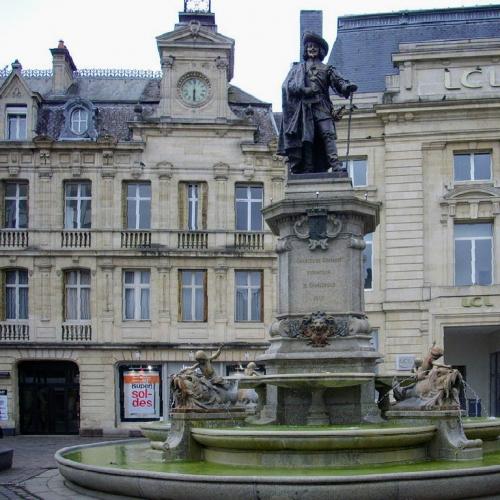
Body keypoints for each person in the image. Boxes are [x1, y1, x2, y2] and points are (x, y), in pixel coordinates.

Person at [278, 32, 357, 174]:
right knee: (307, 138)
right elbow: (286, 86)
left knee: (328, 133)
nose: (311, 48)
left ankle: (335, 164)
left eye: (314, 46)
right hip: (304, 108)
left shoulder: (327, 69)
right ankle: (307, 168)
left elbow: (338, 82)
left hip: (322, 106)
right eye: (309, 46)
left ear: (320, 50)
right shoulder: (297, 69)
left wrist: (346, 87)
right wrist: (305, 89)